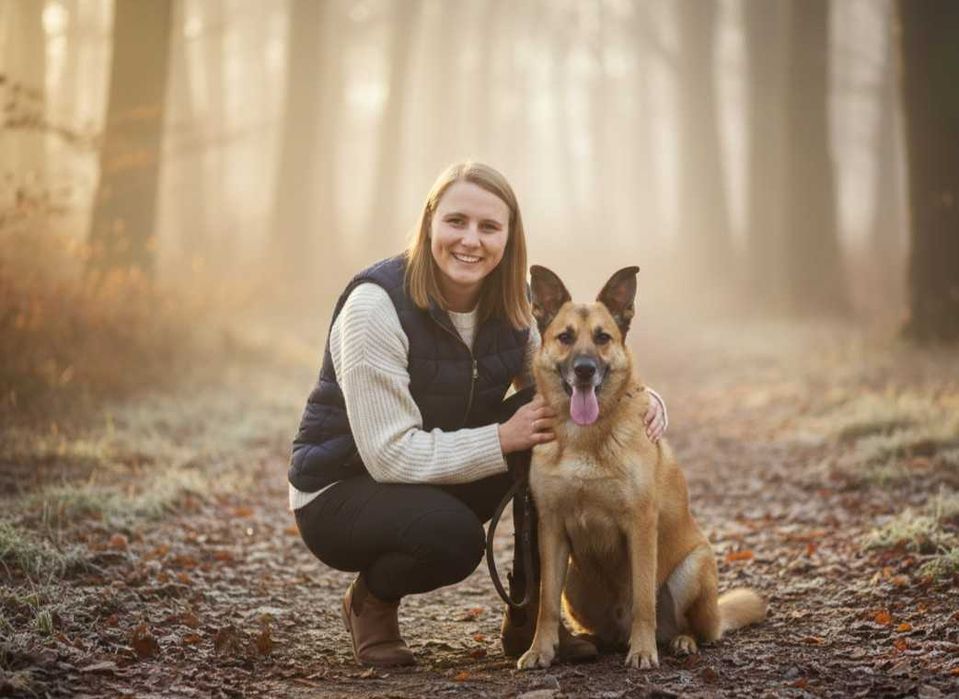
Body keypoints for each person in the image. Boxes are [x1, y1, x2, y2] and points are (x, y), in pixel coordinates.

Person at [288, 161, 668, 667]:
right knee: (451, 537)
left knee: (541, 416)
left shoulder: (511, 307)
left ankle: (532, 617)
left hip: (433, 463)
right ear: (430, 223)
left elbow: (562, 376)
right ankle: (371, 602)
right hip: (343, 487)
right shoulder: (374, 307)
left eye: (489, 226)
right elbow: (386, 455)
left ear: (509, 238)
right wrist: (501, 439)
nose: (471, 240)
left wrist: (642, 397)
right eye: (456, 221)